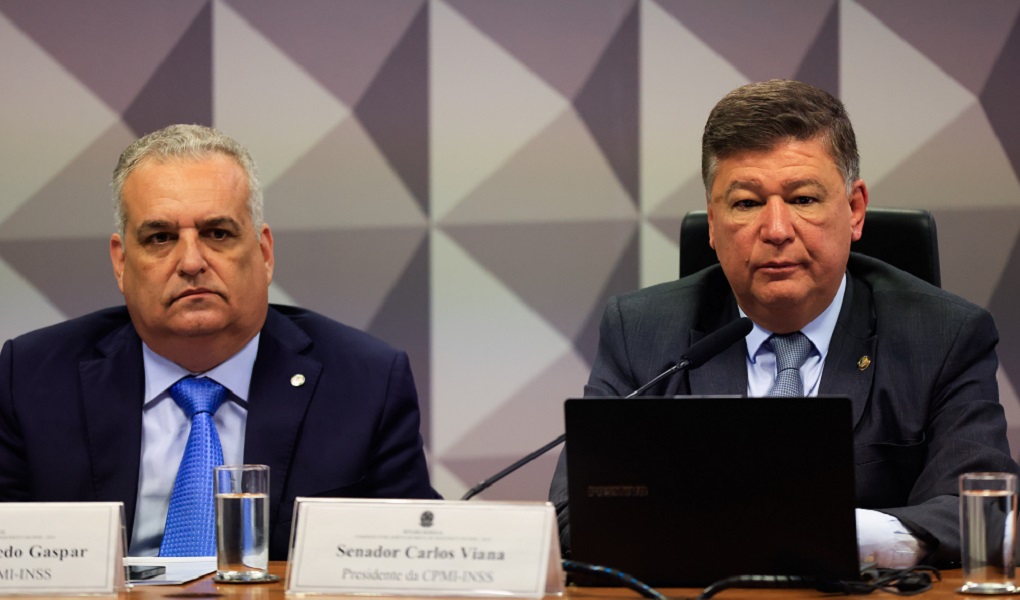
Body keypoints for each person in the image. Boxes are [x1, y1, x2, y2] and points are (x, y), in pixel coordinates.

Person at [549, 80, 1019, 568]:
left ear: (854, 210)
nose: (776, 230)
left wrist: (830, 533)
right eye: (746, 204)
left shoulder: (944, 336)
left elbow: (983, 516)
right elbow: (572, 516)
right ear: (712, 222)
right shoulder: (641, 332)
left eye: (803, 199)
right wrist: (759, 531)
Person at [0, 124, 439, 559]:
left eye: (217, 234)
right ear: (121, 262)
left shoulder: (365, 383)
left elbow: (414, 560)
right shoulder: (33, 379)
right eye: (160, 238)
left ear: (264, 253)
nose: (191, 262)